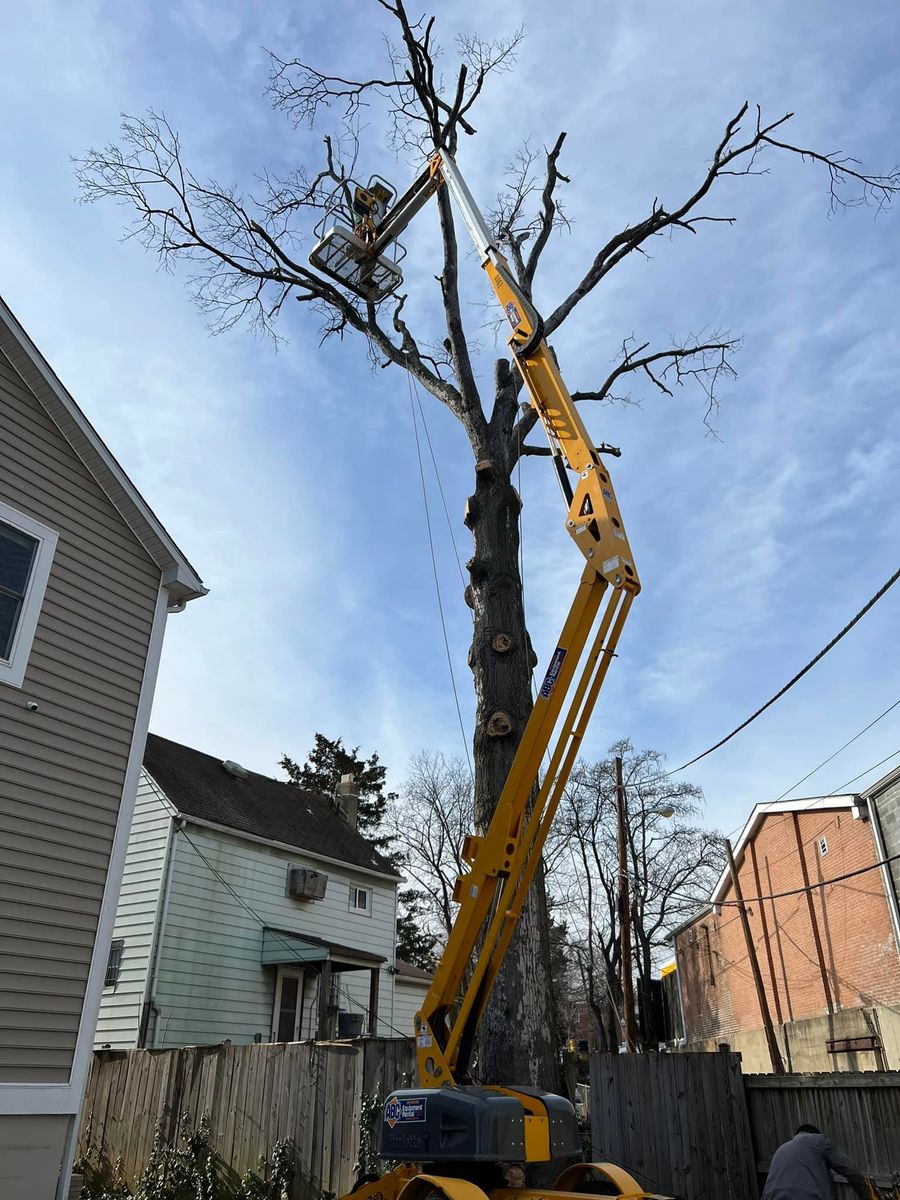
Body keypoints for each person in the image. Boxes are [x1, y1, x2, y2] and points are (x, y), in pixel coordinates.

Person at [762, 1124, 869, 1200]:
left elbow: (767, 1188)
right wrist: (867, 1195)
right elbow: (850, 1169)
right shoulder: (818, 1140)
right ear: (815, 1134)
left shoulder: (780, 1150)